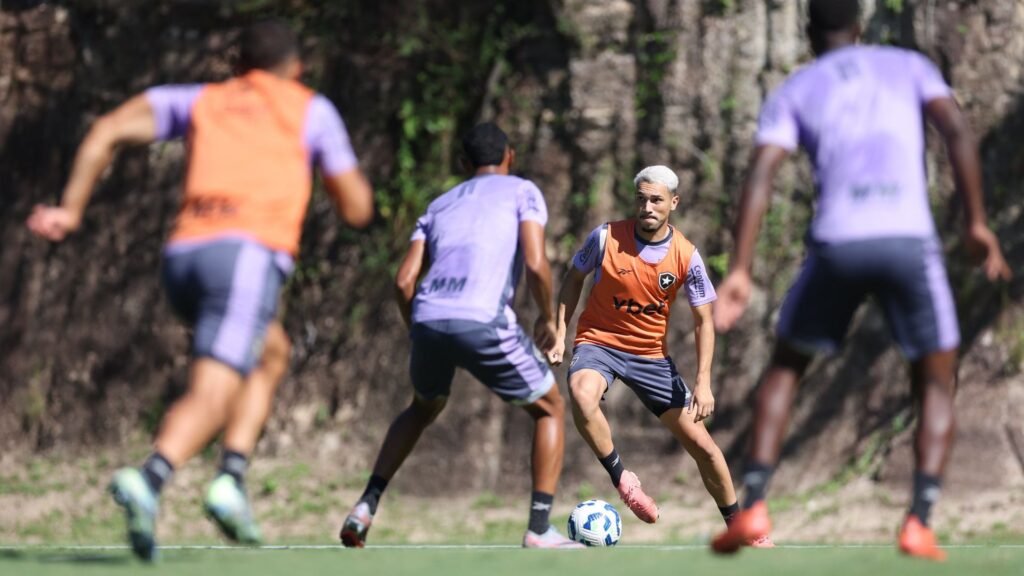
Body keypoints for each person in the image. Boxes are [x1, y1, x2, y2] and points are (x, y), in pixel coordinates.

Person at [26, 20, 374, 561]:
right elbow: (356, 209)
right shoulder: (309, 109)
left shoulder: (201, 100)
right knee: (214, 391)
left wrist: (70, 212)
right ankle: (152, 476)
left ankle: (230, 479)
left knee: (270, 351)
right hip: (245, 256)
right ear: (296, 69)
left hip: (183, 257)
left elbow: (105, 131)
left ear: (237, 66)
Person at [710, 0, 1011, 561]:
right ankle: (919, 518)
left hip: (837, 244)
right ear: (860, 25)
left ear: (809, 31)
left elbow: (762, 172)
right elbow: (957, 132)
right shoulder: (908, 66)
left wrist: (742, 268)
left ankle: (752, 503)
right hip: (908, 241)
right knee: (936, 378)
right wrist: (975, 223)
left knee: (786, 367)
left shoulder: (796, 89)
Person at [339, 122, 582, 549]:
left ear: (464, 164)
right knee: (550, 408)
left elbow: (404, 280)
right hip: (482, 316)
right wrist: (547, 318)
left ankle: (365, 506)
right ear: (511, 156)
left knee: (422, 406)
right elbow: (537, 263)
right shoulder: (522, 190)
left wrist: (418, 329)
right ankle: (539, 529)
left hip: (429, 316)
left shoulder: (438, 205)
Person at [549, 165, 772, 548]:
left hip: (651, 357)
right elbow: (573, 278)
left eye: (656, 200)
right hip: (599, 342)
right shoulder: (605, 238)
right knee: (581, 393)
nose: (647, 207)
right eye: (641, 199)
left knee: (704, 448)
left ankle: (741, 527)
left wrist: (703, 382)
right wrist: (558, 331)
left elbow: (705, 321)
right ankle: (624, 479)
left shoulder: (687, 256)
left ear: (673, 203)